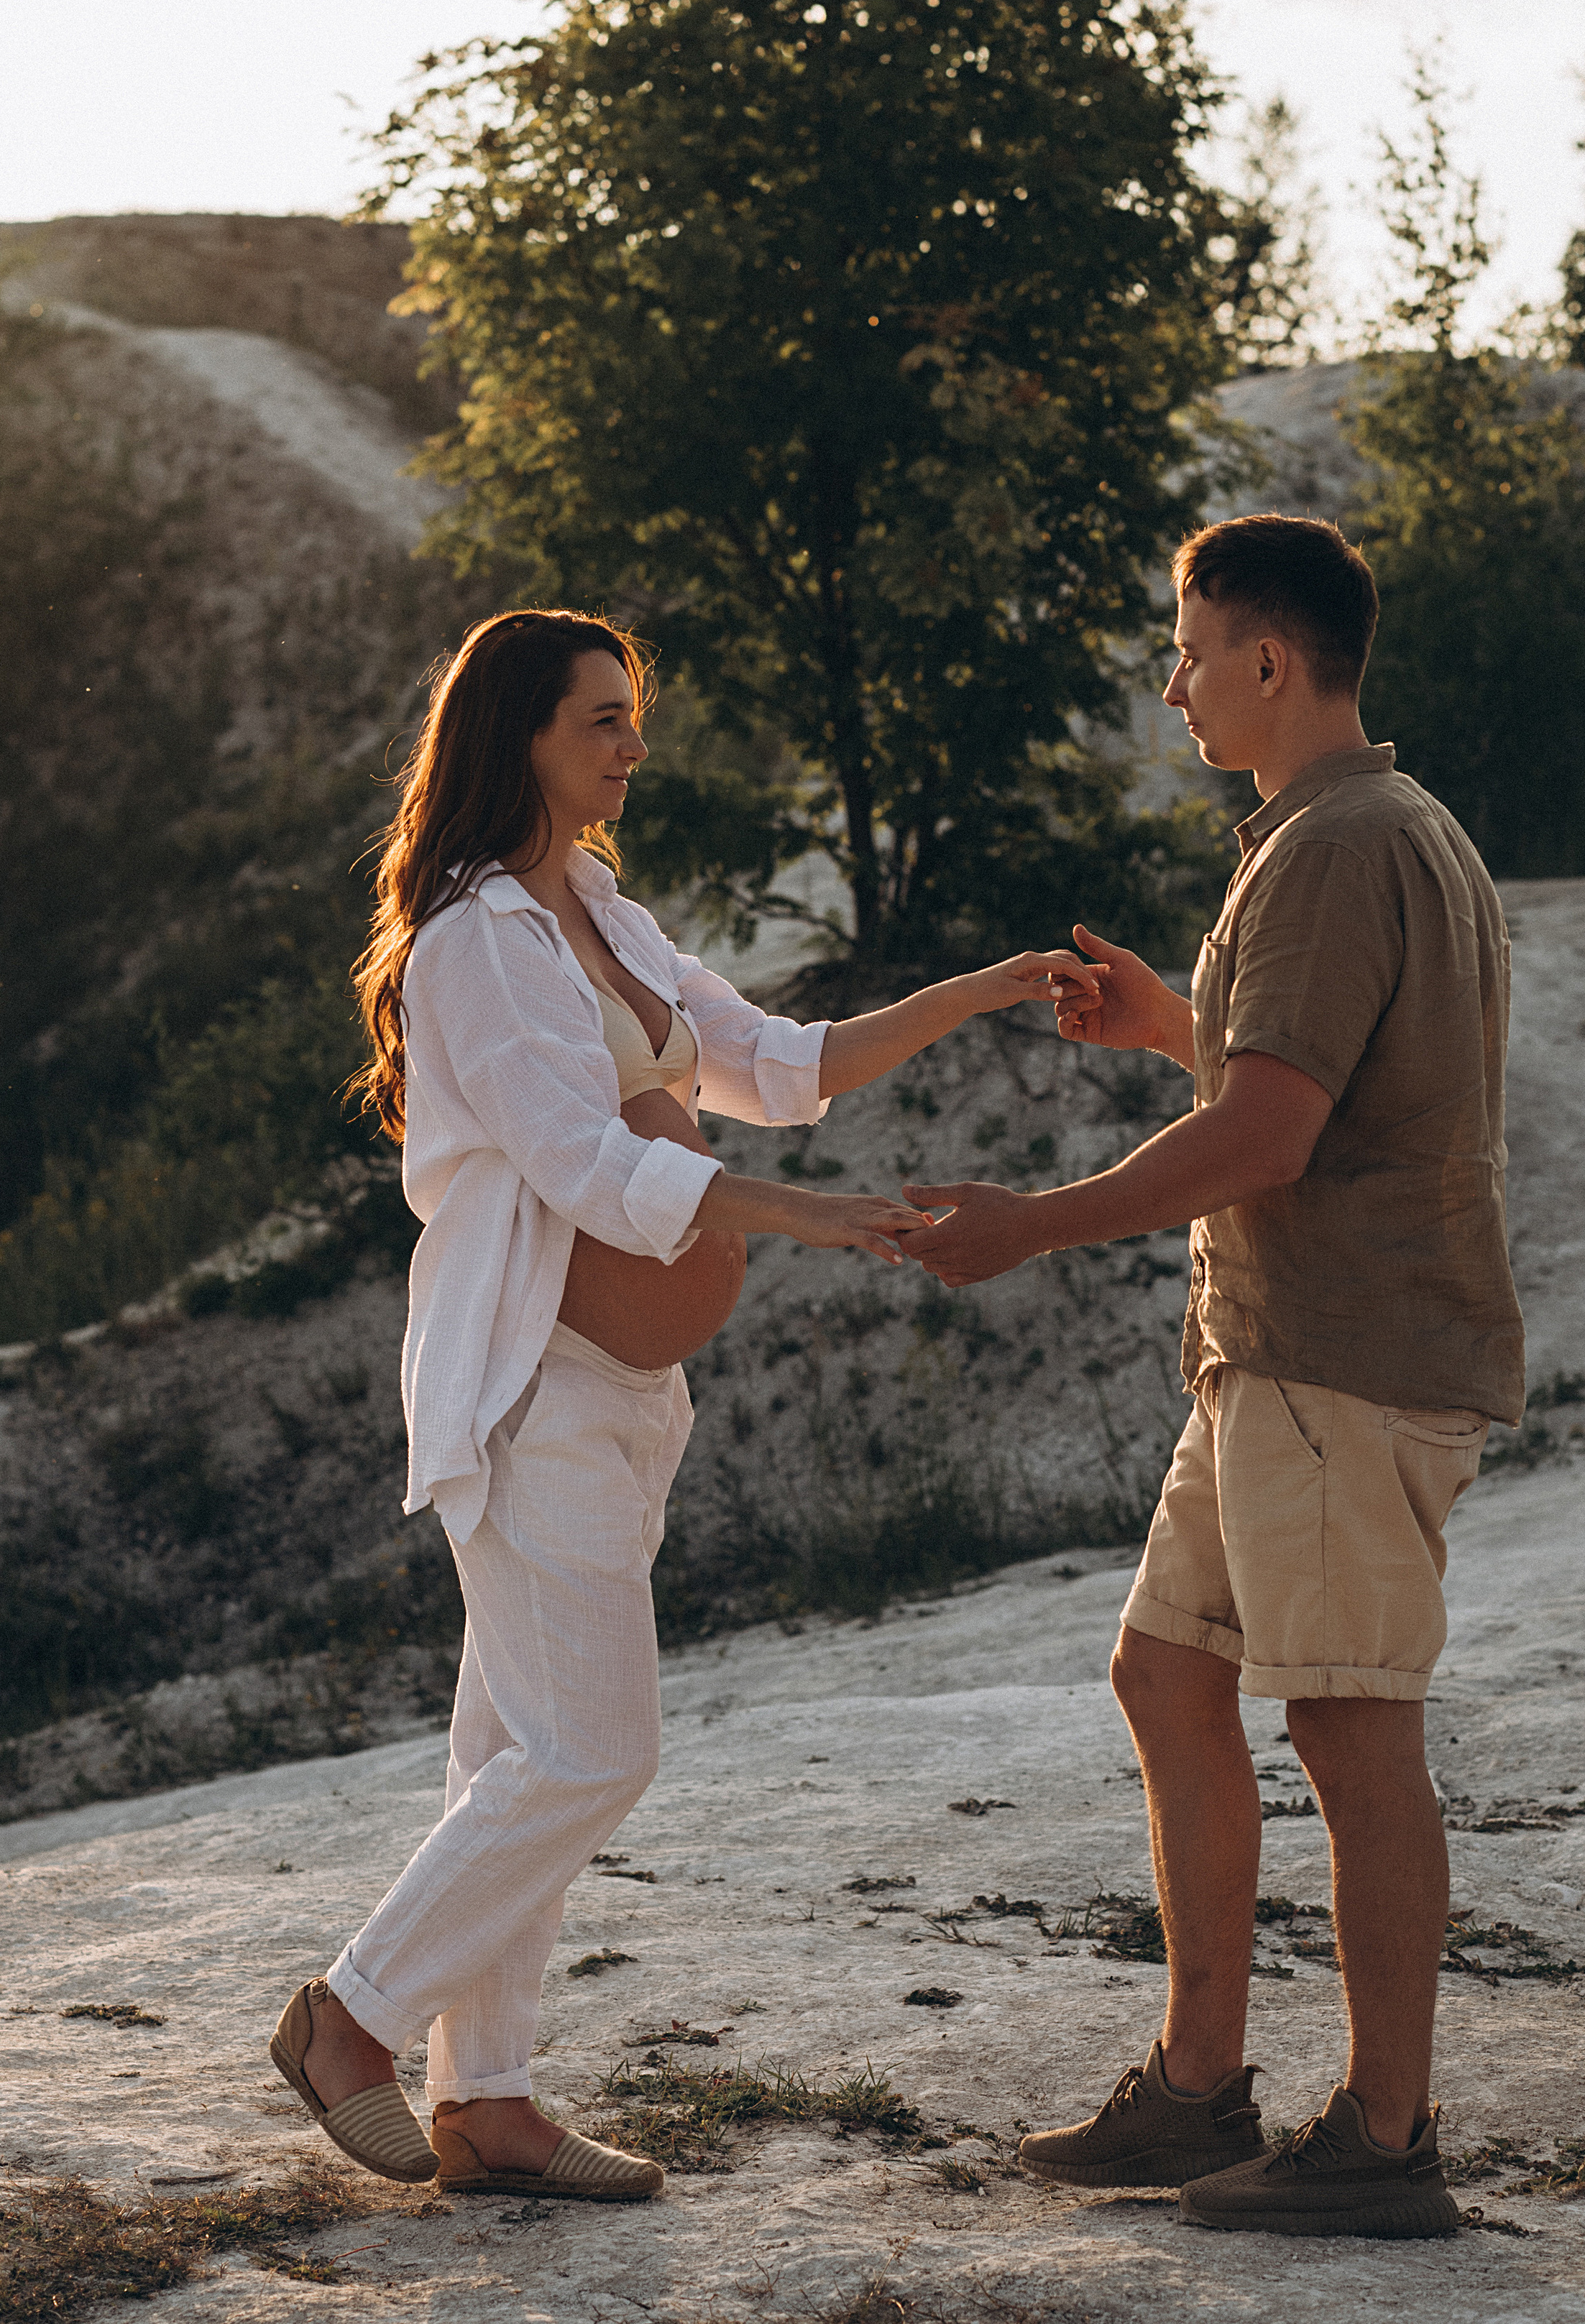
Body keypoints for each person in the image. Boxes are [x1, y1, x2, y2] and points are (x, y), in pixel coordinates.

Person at [267, 607, 1085, 2203]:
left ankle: (485, 2100)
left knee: (513, 1749)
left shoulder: (599, 911)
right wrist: (814, 1217)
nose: (634, 747)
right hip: (530, 1385)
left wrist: (979, 988)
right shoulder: (474, 942)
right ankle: (348, 2019)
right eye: (601, 721)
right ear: (516, 734)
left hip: (626, 1393)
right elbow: (589, 1163)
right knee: (592, 1751)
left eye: (633, 717)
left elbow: (783, 1059)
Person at [902, 515, 1523, 2241]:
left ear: (1267, 659)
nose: (1170, 684)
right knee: (1167, 1679)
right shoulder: (1372, 828)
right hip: (1269, 1358)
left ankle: (1384, 2141)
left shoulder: (1333, 846)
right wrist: (1164, 1027)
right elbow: (1319, 1076)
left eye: (1185, 652)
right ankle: (1195, 2092)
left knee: (1340, 1721)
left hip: (1339, 1359)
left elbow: (1268, 1134)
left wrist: (1027, 1223)